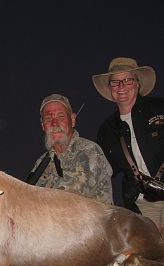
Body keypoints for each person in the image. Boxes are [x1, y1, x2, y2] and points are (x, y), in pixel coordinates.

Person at [92, 57, 164, 235]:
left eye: (127, 80)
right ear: (110, 88)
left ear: (137, 83)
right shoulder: (107, 130)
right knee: (152, 253)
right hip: (145, 202)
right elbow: (102, 171)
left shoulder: (160, 107)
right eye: (115, 82)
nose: (121, 86)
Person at [26, 93, 113, 204]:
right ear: (43, 125)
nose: (54, 123)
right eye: (48, 118)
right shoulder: (41, 163)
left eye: (60, 116)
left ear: (72, 119)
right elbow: (27, 197)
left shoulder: (89, 151)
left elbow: (68, 201)